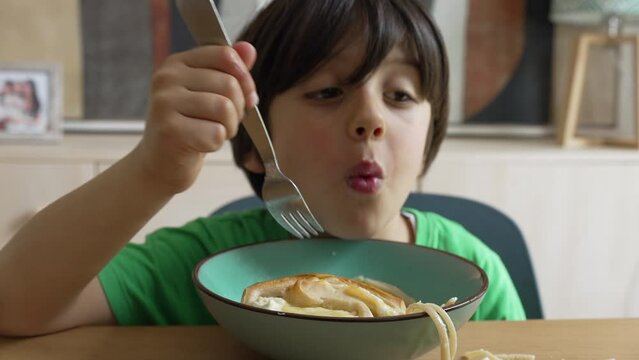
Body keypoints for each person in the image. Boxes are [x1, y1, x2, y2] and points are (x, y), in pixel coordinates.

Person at [0, 0, 525, 336]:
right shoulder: (202, 264)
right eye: (326, 91)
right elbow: (14, 305)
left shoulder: (475, 268)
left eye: (400, 95)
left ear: (431, 133)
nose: (370, 119)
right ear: (255, 143)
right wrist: (152, 171)